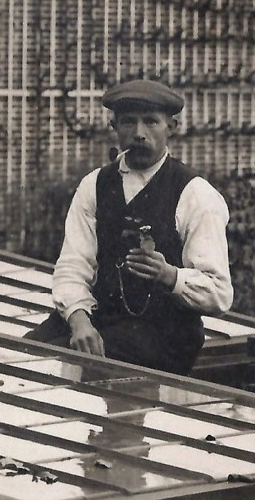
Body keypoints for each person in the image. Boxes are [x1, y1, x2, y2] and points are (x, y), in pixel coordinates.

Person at [27, 78, 233, 376]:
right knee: (20, 357)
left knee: (64, 366)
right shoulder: (95, 185)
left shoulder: (195, 194)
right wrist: (79, 320)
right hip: (100, 318)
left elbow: (219, 293)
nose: (138, 133)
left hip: (163, 336)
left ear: (171, 127)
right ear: (114, 126)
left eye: (151, 122)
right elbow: (73, 265)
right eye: (128, 122)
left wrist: (170, 275)